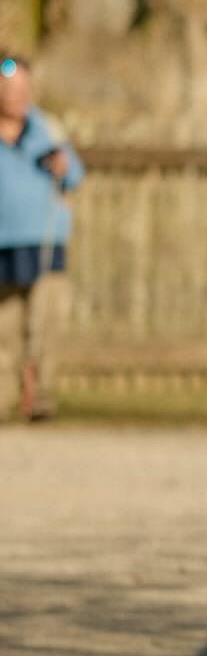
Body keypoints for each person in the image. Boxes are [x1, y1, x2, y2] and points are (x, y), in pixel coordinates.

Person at [0, 51, 85, 423]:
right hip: (3, 243)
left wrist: (63, 166)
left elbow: (75, 175)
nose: (17, 96)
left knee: (45, 326)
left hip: (45, 239)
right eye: (9, 88)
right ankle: (3, 399)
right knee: (5, 330)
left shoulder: (46, 129)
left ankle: (42, 399)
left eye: (23, 88)